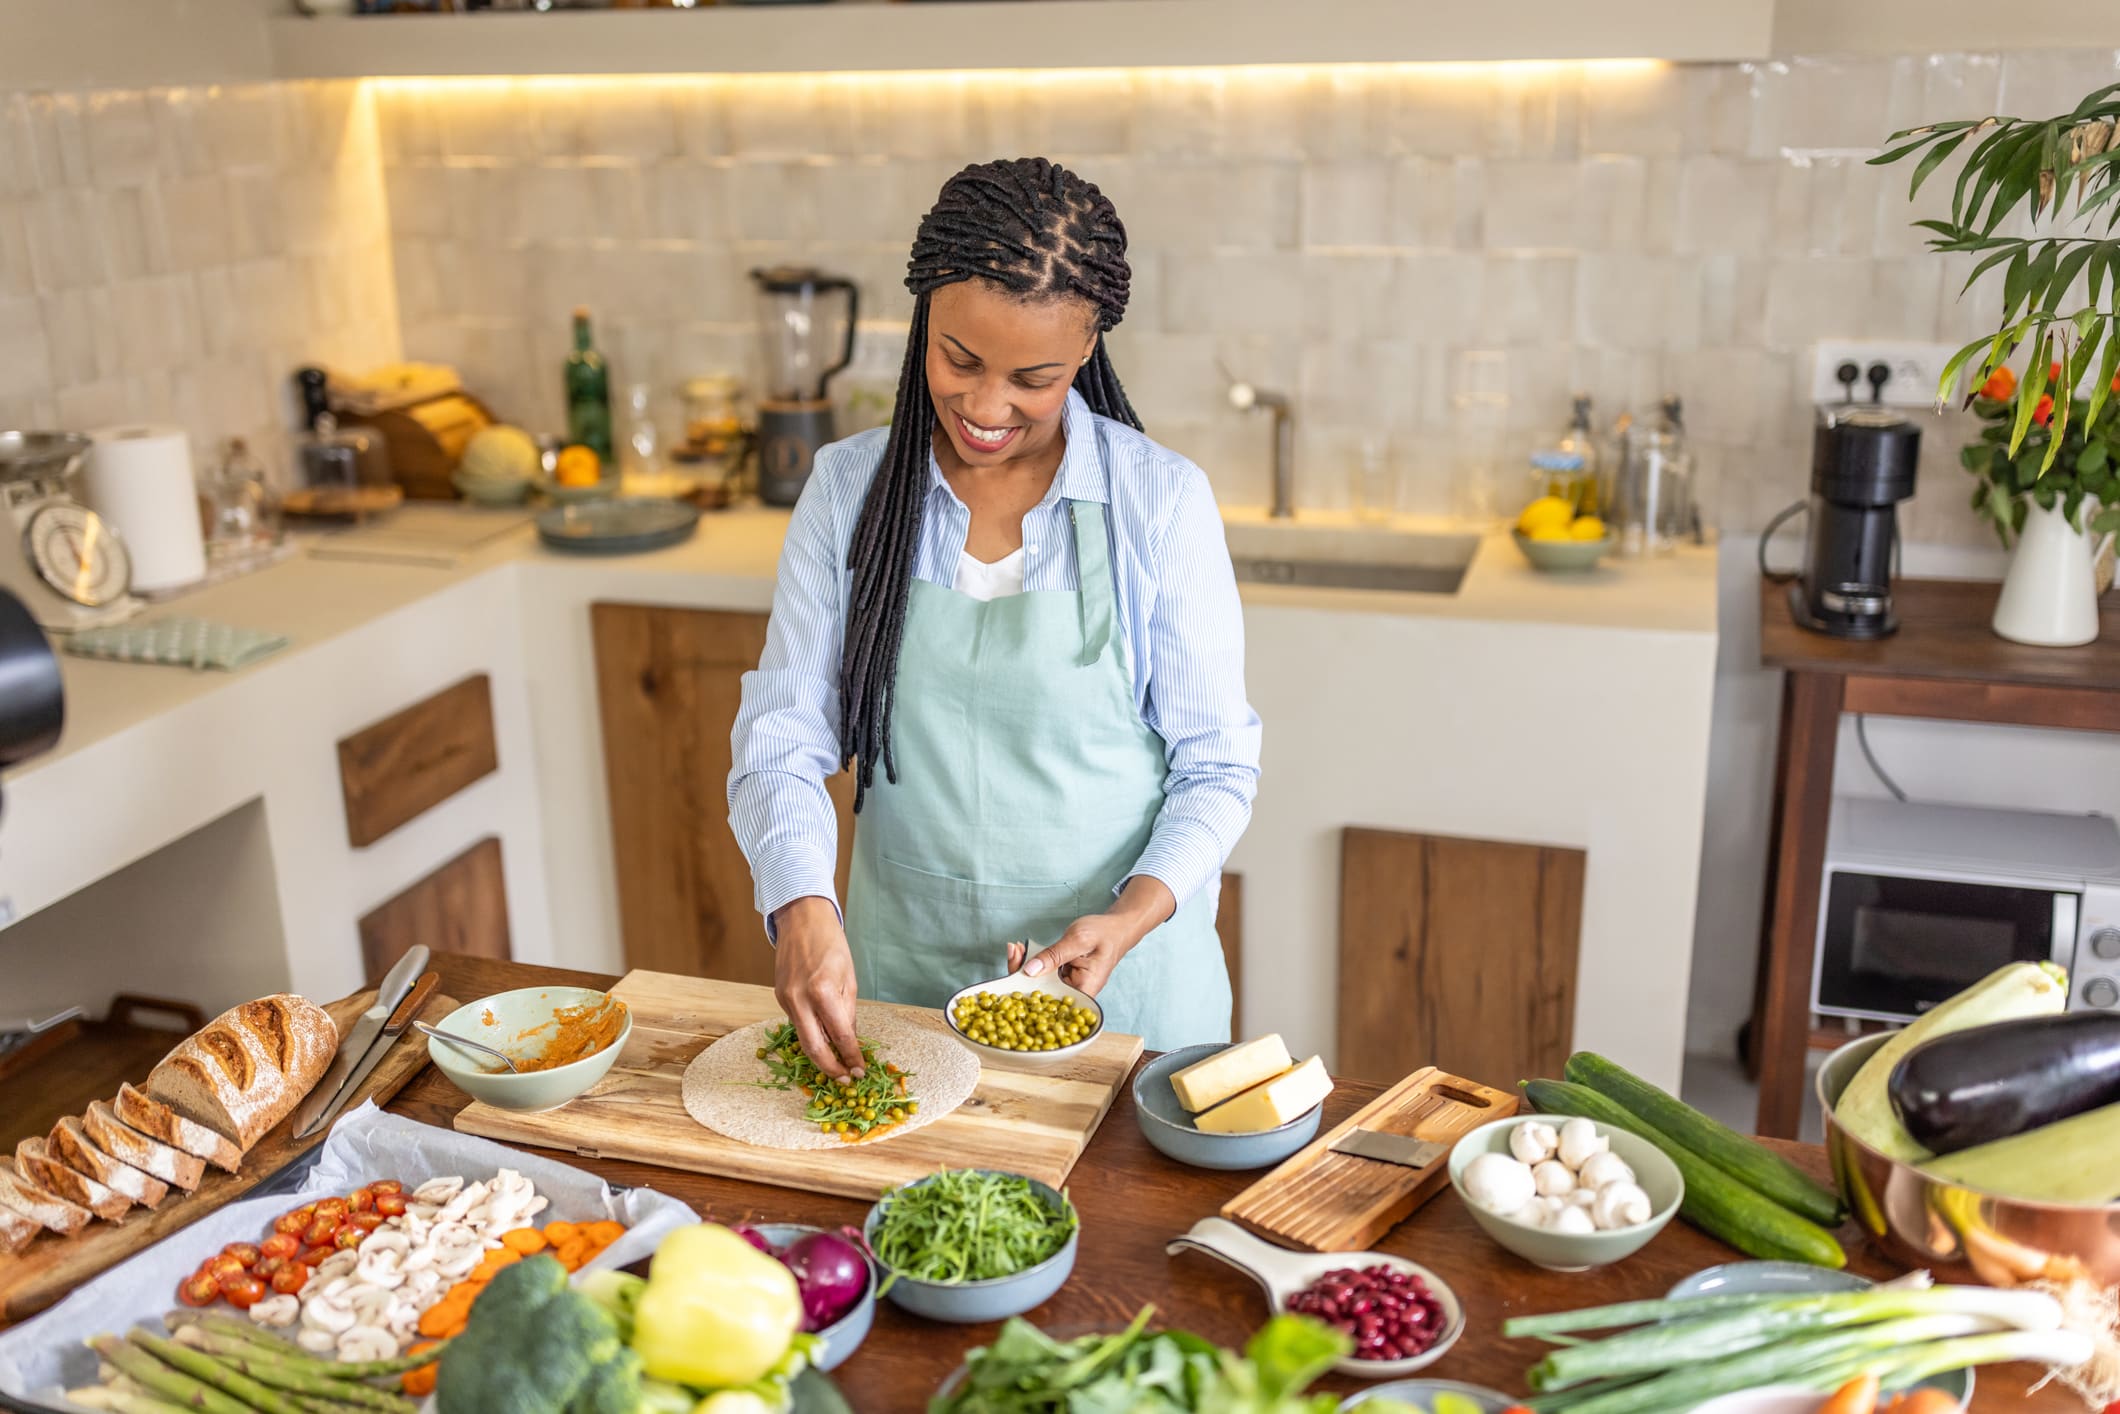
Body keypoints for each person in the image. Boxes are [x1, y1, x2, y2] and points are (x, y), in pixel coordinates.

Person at [729, 157, 1260, 1076]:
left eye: (1033, 378)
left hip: (1125, 1001)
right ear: (923, 317)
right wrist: (801, 905)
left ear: (1087, 349)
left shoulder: (1158, 503)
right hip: (900, 993)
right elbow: (781, 737)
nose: (985, 406)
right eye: (959, 359)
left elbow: (1216, 767)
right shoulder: (849, 493)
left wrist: (1132, 912)